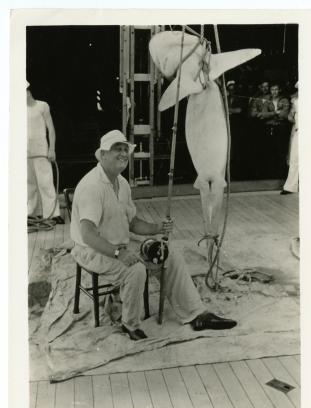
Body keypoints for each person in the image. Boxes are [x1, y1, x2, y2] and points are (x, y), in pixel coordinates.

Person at [70, 130, 237, 340]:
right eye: (117, 150)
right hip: (90, 249)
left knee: (171, 254)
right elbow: (88, 235)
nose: (123, 154)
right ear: (102, 155)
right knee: (136, 270)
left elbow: (132, 222)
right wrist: (117, 254)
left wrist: (157, 228)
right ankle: (129, 325)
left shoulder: (121, 183)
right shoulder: (92, 187)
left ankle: (196, 315)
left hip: (118, 243)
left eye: (125, 150)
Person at [27, 82, 64, 224]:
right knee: (29, 184)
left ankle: (53, 213)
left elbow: (51, 129)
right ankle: (32, 213)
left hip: (41, 150)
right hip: (25, 151)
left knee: (46, 182)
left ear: (28, 92)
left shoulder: (42, 106)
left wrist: (52, 148)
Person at [259, 83, 291, 179]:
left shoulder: (284, 100)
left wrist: (271, 115)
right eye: (272, 89)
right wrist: (275, 112)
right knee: (269, 150)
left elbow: (284, 115)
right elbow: (263, 115)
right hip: (269, 127)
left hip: (281, 127)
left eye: (276, 89)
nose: (274, 91)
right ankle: (271, 174)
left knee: (281, 150)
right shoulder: (267, 101)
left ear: (279, 90)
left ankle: (281, 174)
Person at [281, 81, 299, 195]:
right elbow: (290, 117)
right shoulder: (295, 101)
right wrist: (292, 116)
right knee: (294, 159)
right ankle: (290, 187)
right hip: (299, 131)